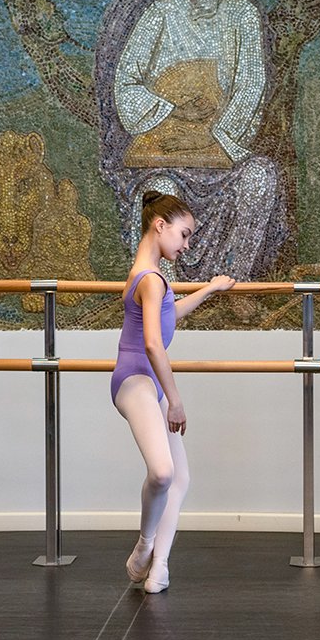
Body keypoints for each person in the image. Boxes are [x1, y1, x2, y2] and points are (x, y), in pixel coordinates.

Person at [103, 0, 286, 284]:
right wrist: (173, 110)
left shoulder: (241, 14)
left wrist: (211, 136)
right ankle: (163, 291)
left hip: (222, 149)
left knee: (260, 177)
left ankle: (235, 285)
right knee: (160, 193)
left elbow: (251, 84)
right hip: (166, 157)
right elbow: (126, 84)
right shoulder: (160, 14)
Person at [113, 191, 236, 593]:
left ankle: (160, 567)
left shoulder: (149, 275)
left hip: (149, 381)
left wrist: (209, 290)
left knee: (180, 478)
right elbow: (153, 343)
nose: (185, 246)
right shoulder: (150, 279)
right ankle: (145, 545)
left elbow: (170, 312)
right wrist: (176, 401)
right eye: (184, 235)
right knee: (164, 473)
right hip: (136, 378)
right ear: (160, 225)